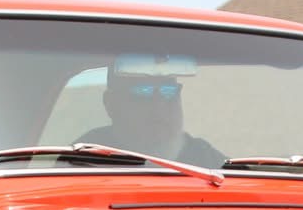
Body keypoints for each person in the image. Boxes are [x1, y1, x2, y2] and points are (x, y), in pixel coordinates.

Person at [76, 62, 226, 167]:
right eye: (143, 93)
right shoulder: (85, 158)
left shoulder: (210, 163)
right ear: (111, 104)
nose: (159, 106)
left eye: (169, 92)